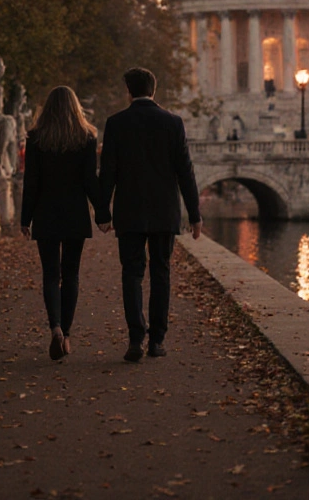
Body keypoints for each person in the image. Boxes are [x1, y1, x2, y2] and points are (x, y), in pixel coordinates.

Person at [97, 67, 202, 362]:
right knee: (161, 274)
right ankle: (157, 340)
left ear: (129, 91)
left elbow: (108, 173)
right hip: (163, 212)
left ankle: (135, 338)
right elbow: (185, 172)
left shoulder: (116, 123)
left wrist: (103, 211)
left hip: (129, 211)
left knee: (131, 274)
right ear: (153, 90)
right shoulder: (173, 123)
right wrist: (195, 214)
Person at [20, 86, 103, 361]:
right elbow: (91, 181)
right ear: (75, 107)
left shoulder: (35, 138)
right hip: (75, 213)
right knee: (71, 275)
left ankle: (54, 326)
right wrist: (103, 213)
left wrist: (25, 218)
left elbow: (30, 182)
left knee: (50, 275)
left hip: (45, 213)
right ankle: (66, 335)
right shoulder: (86, 138)